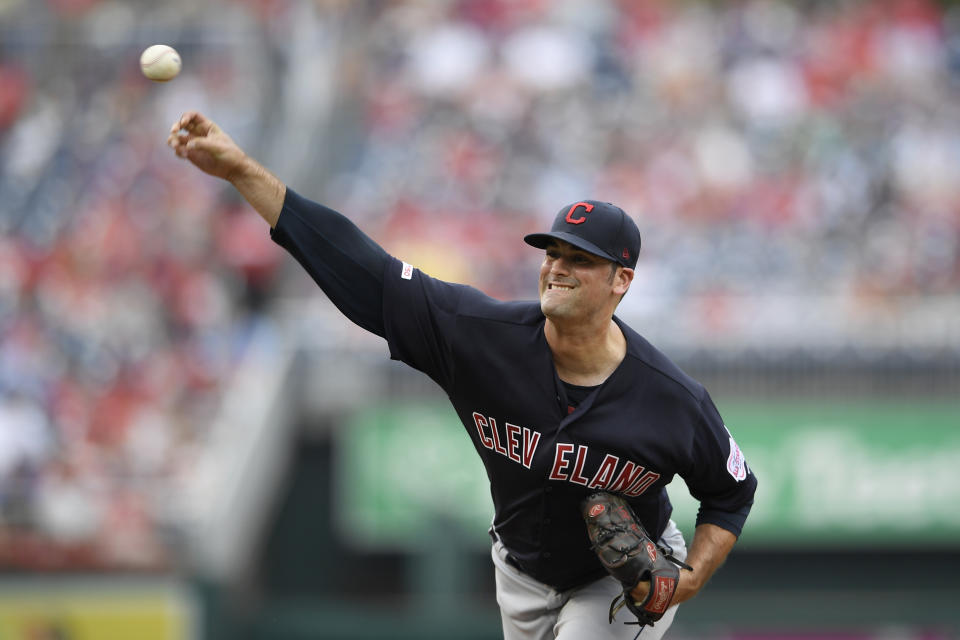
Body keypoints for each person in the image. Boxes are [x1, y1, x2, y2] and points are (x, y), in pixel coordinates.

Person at [167, 111, 757, 640]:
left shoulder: (671, 398)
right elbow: (361, 270)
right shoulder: (479, 335)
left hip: (618, 583)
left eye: (580, 259)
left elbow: (732, 492)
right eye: (552, 252)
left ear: (621, 281)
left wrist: (687, 580)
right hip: (520, 570)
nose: (557, 267)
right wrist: (243, 171)